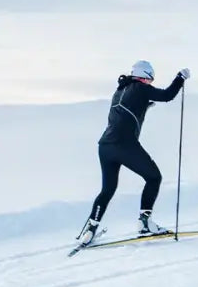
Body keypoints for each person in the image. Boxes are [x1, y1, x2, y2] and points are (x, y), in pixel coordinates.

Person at [77, 60, 190, 247]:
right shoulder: (141, 88)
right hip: (125, 145)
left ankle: (90, 228)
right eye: (150, 80)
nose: (150, 84)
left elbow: (124, 111)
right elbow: (168, 95)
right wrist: (180, 78)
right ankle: (145, 222)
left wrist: (144, 106)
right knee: (154, 177)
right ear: (145, 76)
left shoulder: (120, 90)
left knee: (108, 189)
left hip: (105, 147)